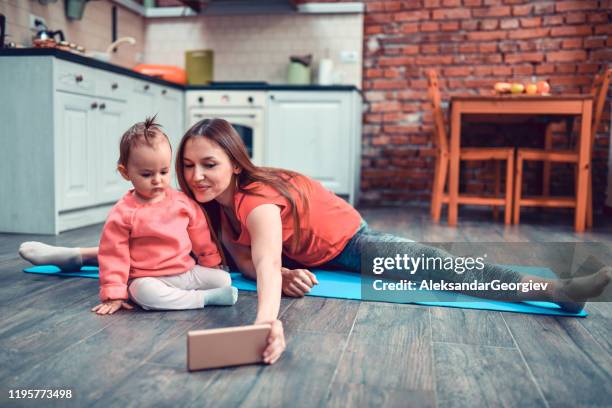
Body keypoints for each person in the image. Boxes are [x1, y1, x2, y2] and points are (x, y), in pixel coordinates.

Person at [19, 118, 611, 364]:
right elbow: (243, 257)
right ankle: (64, 255)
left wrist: (268, 321)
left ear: (234, 162)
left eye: (210, 166)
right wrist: (252, 263)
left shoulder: (256, 201)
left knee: (438, 266)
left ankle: (557, 288)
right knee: (155, 247)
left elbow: (267, 264)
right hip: (299, 254)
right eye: (189, 166)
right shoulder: (203, 208)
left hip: (347, 244)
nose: (196, 176)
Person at [22, 117, 237, 316]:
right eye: (146, 174)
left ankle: (201, 292)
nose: (157, 180)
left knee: (223, 278)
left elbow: (200, 234)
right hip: (148, 277)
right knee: (144, 293)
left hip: (185, 272)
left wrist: (211, 262)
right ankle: (204, 299)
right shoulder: (123, 213)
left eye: (163, 172)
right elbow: (113, 255)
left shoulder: (182, 203)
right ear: (126, 173)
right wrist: (114, 293)